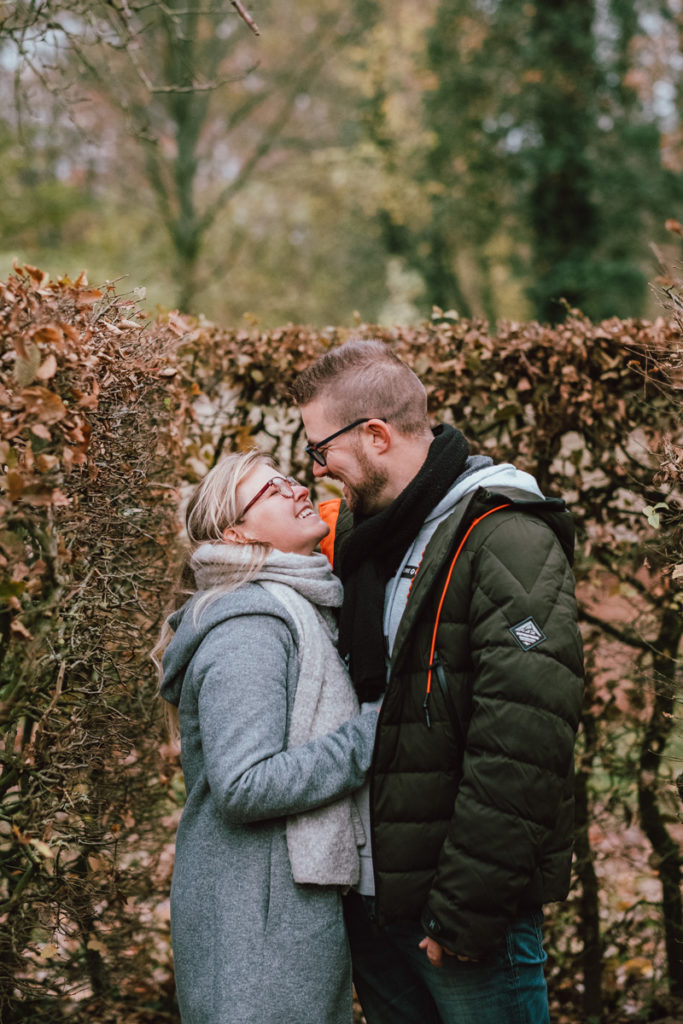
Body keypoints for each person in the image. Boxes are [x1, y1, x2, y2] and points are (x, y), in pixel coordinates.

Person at [291, 339, 585, 1024]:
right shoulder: (372, 537)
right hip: (375, 896)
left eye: (319, 447)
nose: (315, 469)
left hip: (455, 915)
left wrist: (464, 913)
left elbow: (524, 737)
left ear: (374, 436)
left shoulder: (502, 533)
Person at [154, 449, 378, 1024]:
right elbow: (245, 786)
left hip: (274, 904)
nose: (299, 488)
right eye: (273, 489)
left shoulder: (296, 608)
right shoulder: (250, 628)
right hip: (254, 916)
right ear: (236, 531)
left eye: (290, 478)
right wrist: (376, 730)